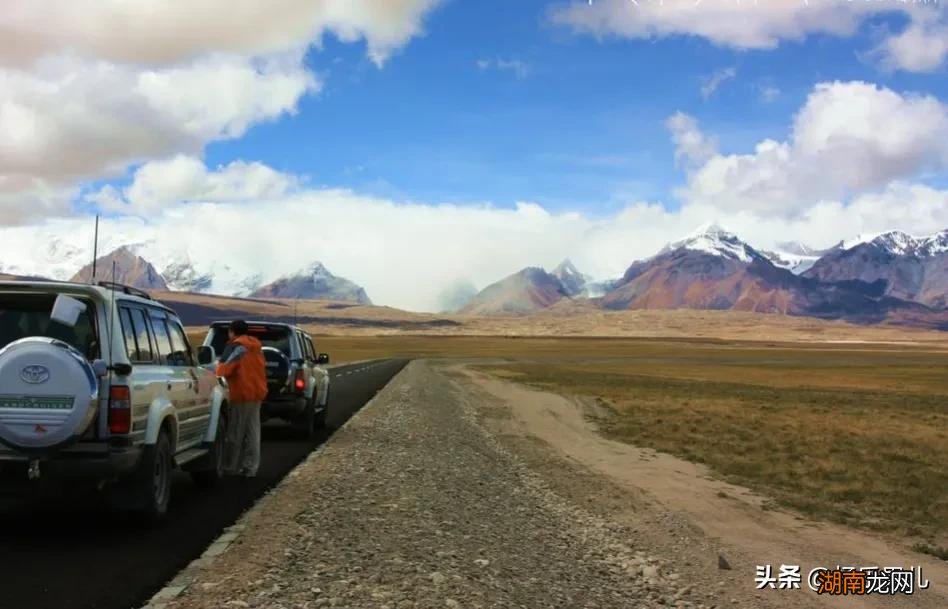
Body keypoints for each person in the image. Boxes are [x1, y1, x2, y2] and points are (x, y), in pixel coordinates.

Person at [215, 319, 267, 478]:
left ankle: (229, 467)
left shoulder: (236, 346)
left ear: (232, 331)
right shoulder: (256, 346)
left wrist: (215, 369)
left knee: (235, 432)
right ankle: (250, 468)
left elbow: (224, 369)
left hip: (241, 394)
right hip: (257, 393)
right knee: (253, 432)